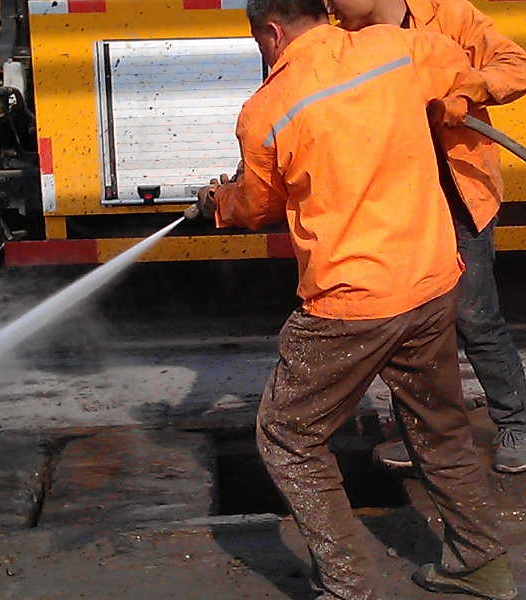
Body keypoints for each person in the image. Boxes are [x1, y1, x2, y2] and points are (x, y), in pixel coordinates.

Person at [192, 0, 516, 597]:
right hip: (428, 283)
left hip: (352, 304)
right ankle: (481, 562)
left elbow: (257, 205)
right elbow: (466, 72)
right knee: (439, 425)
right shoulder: (397, 49)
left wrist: (219, 204)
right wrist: (456, 98)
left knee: (288, 436)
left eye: (259, 43)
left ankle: (348, 588)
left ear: (271, 30)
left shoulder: (266, 109)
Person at [329, 0, 526, 473]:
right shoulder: (339, 39)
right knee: (408, 326)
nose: (329, 4)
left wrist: (465, 89)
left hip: (459, 194)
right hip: (394, 201)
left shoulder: (450, 16)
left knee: (475, 316)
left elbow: (516, 67)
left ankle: (517, 423)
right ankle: (426, 439)